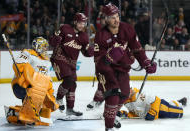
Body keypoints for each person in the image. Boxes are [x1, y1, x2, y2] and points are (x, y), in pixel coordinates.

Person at [93, 3, 157, 131]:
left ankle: (109, 114)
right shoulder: (100, 36)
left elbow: (137, 49)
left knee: (125, 94)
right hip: (106, 71)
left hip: (122, 69)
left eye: (117, 16)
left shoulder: (127, 29)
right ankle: (109, 127)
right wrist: (109, 58)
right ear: (105, 18)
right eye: (112, 17)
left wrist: (146, 62)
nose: (116, 19)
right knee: (113, 95)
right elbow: (98, 62)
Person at [5, 37, 59, 126]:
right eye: (44, 46)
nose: (46, 49)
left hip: (36, 89)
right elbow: (18, 65)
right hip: (21, 85)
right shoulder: (28, 53)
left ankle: (19, 113)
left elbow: (47, 80)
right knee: (30, 74)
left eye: (46, 47)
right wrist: (28, 78)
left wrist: (51, 94)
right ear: (37, 46)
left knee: (42, 88)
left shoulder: (46, 61)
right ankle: (28, 113)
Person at [49, 13, 94, 116]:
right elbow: (51, 42)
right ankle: (59, 99)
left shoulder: (84, 36)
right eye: (80, 23)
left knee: (73, 84)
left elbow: (85, 52)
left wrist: (92, 51)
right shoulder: (64, 28)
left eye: (84, 23)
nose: (82, 25)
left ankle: (70, 109)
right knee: (69, 79)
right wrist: (55, 39)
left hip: (71, 62)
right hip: (58, 58)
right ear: (75, 22)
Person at [117, 87, 187, 120]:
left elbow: (155, 100)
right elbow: (136, 113)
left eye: (129, 89)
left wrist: (152, 112)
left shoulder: (140, 95)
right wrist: (125, 114)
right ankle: (178, 102)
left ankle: (180, 103)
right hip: (154, 112)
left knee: (179, 112)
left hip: (160, 108)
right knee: (170, 104)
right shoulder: (126, 102)